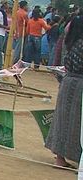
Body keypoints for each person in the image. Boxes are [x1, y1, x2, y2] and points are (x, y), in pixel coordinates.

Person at [45, 16, 83, 169]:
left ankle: (60, 158)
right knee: (78, 124)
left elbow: (57, 62)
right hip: (80, 84)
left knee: (62, 121)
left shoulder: (68, 42)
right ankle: (79, 160)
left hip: (67, 82)